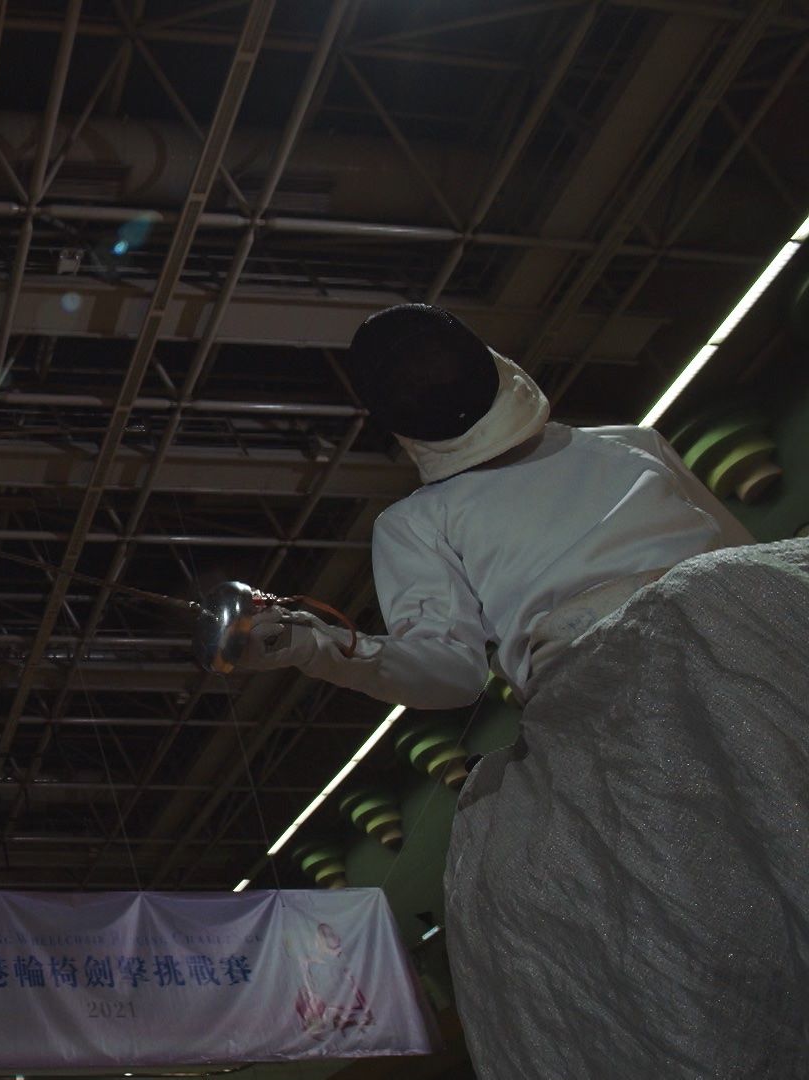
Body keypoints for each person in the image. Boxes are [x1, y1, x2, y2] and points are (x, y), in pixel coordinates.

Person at [237, 303, 809, 1077]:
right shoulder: (431, 517)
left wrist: (321, 650)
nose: (428, 376)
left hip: (698, 635)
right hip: (637, 666)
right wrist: (320, 646)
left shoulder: (625, 445)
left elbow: (738, 557)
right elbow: (447, 673)